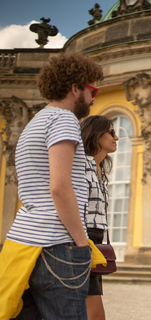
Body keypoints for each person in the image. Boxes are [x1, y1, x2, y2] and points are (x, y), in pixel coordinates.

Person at [0, 53, 103, 319]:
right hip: (58, 245)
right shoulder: (63, 119)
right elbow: (59, 186)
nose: (94, 98)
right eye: (92, 90)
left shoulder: (34, 124)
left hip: (25, 243)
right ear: (74, 88)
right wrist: (82, 244)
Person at [80, 115, 119, 320]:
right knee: (94, 312)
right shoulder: (80, 166)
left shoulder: (100, 170)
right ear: (96, 136)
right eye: (111, 132)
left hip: (94, 242)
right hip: (81, 241)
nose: (117, 137)